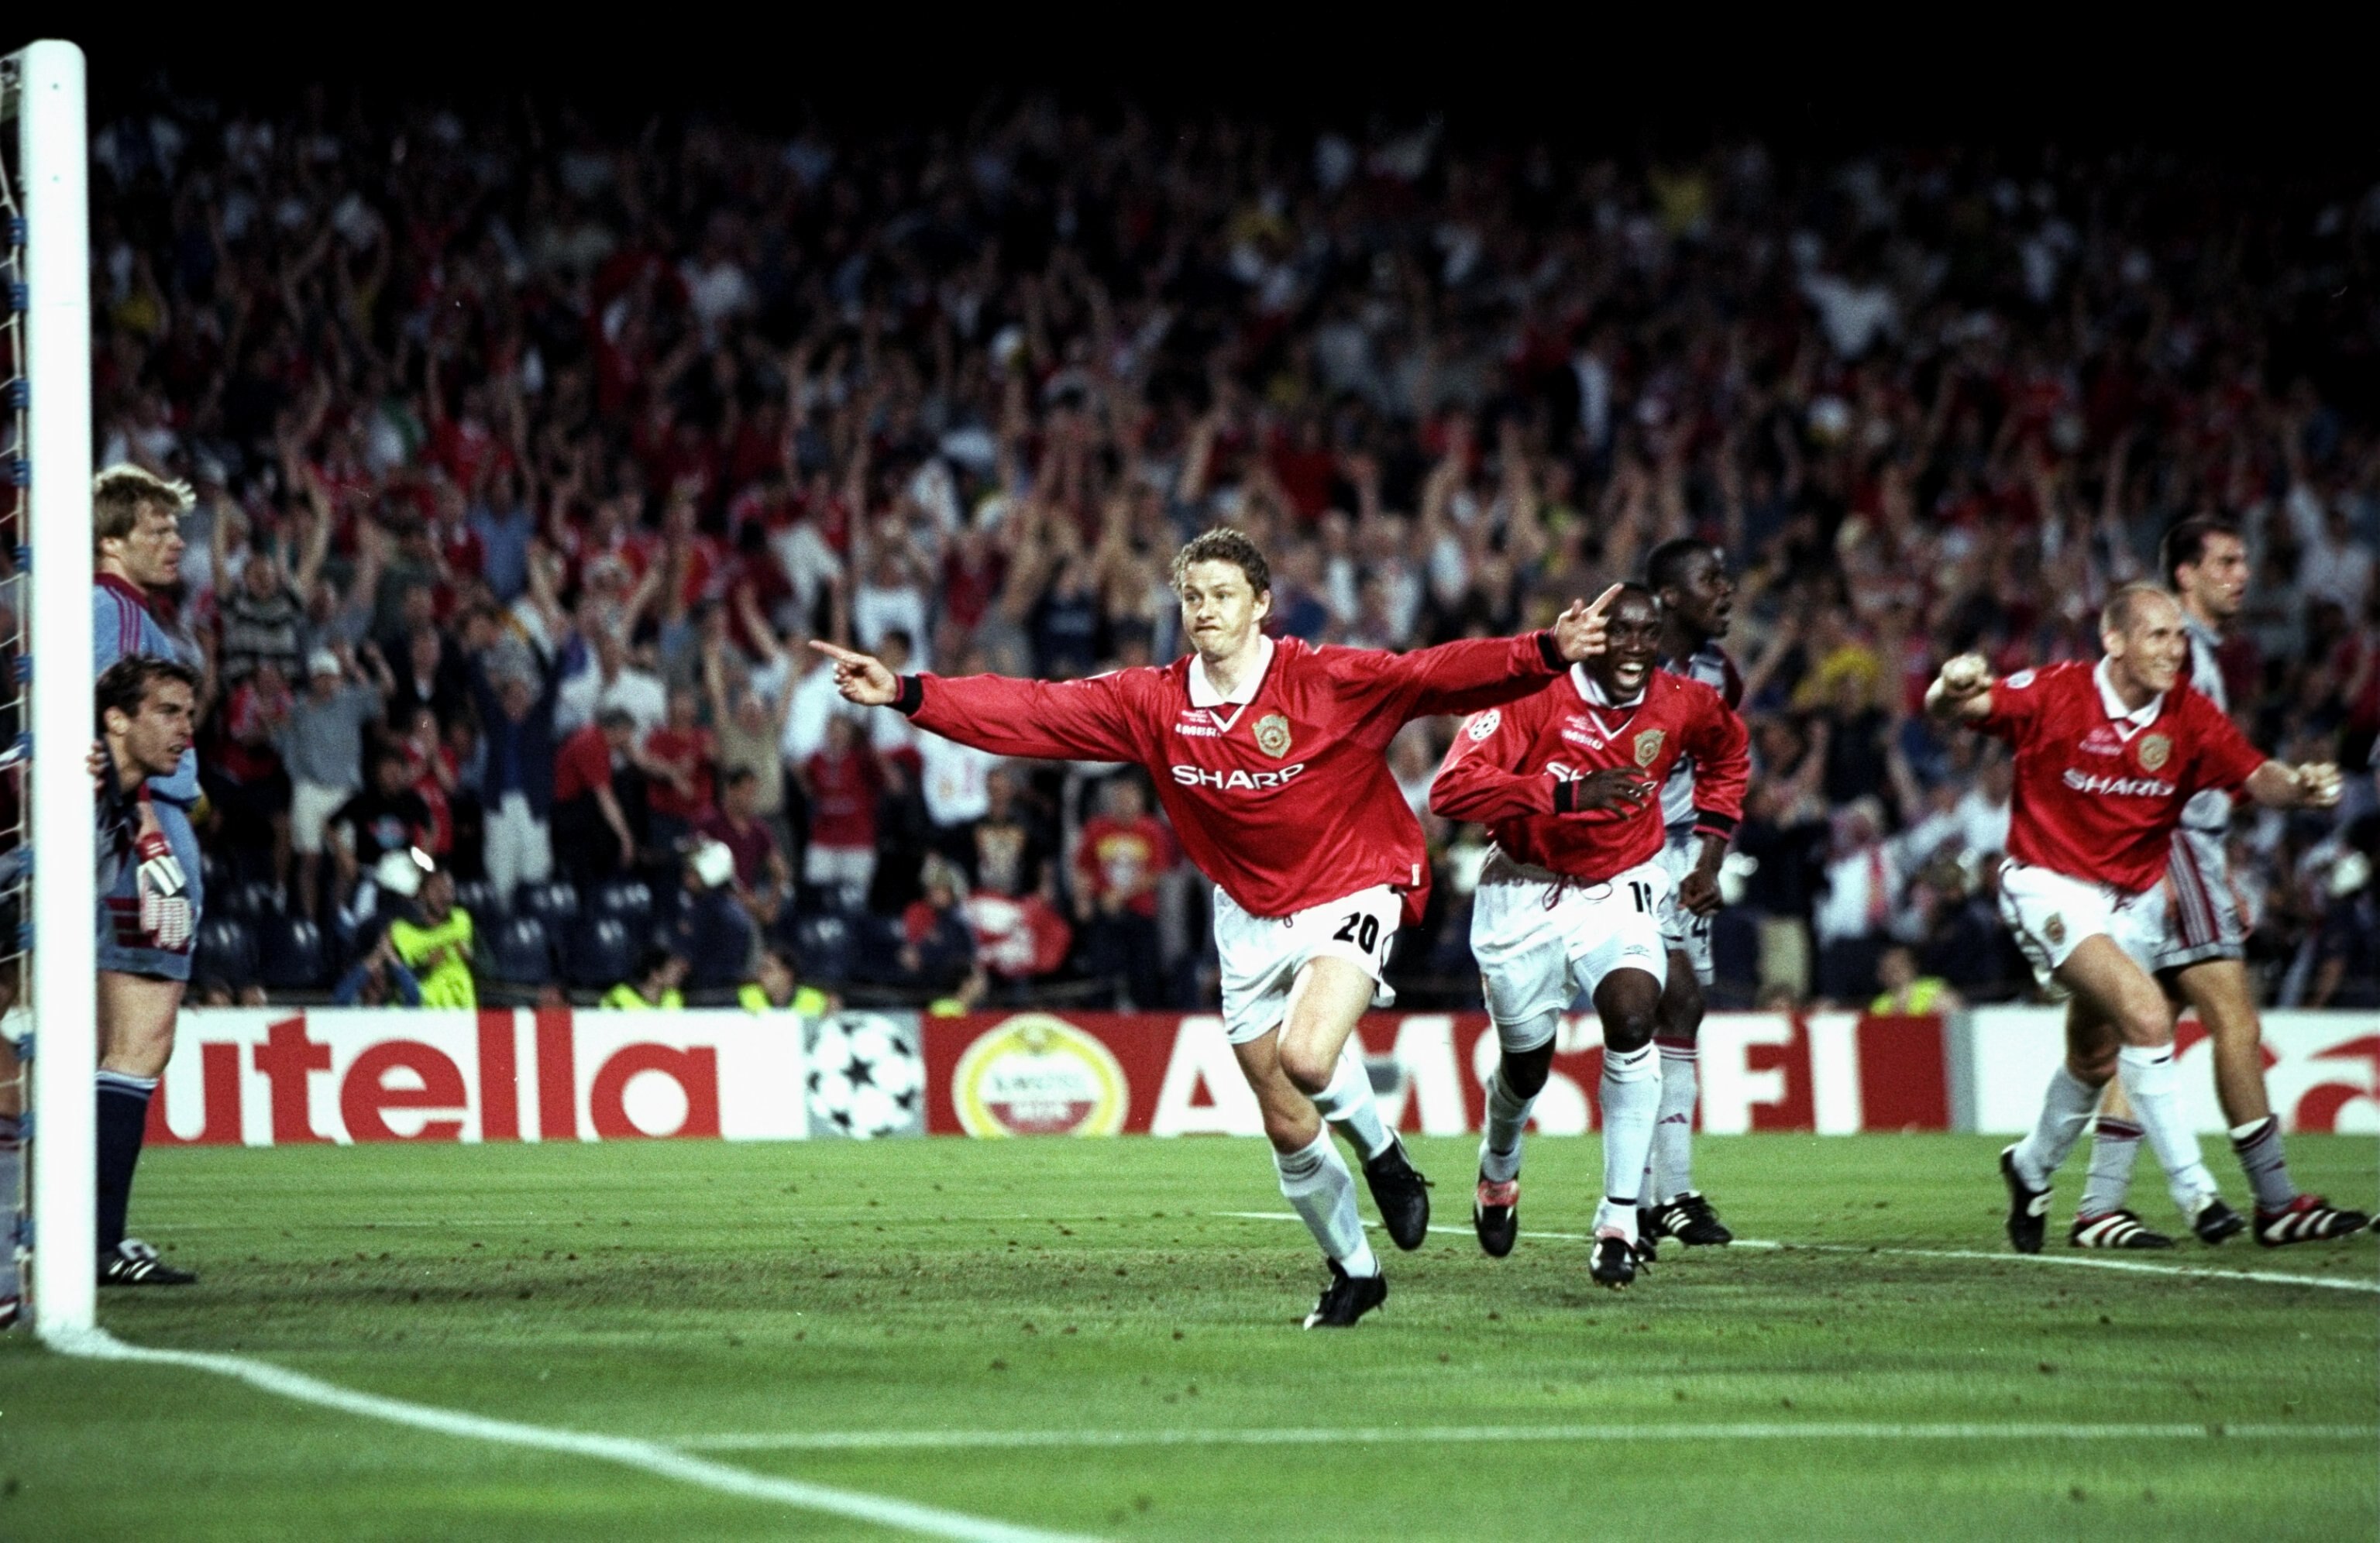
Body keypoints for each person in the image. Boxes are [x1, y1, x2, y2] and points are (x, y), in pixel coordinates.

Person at [815, 526, 1615, 1328]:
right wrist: (911, 693)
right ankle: (1356, 1271)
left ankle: (1385, 1157)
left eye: (1223, 594)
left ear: (1262, 605)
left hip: (1352, 884)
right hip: (1248, 911)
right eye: (1193, 596)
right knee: (1284, 1117)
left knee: (1307, 1055)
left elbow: (1434, 675)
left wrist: (1545, 650)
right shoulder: (1154, 703)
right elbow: (1037, 710)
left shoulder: (1325, 680)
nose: (1205, 609)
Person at [1924, 582, 2349, 1254]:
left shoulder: (2189, 713)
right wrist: (1950, 685)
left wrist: (2297, 786)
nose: (2174, 649)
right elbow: (1956, 707)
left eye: (2179, 636)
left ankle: (2031, 1167)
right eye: (2157, 635)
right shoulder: (2058, 691)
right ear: (2114, 641)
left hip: (2136, 901)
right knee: (2149, 1015)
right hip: (2048, 885)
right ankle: (2197, 1191)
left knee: (2093, 1057)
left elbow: (2253, 773)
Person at [1431, 585, 1748, 1287]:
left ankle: (1619, 1219)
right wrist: (1567, 794)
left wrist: (1709, 853)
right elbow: (1451, 790)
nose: (1635, 646)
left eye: (1649, 632)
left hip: (1621, 881)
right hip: (1523, 884)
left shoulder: (1683, 702)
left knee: (1636, 1014)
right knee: (1527, 1064)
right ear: (1594, 636)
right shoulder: (1530, 696)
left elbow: (1729, 756)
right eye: (1620, 632)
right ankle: (1499, 1162)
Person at [2069, 520, 2368, 1249]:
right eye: (2226, 562)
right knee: (2235, 1019)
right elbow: (2153, 766)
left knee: (2150, 1030)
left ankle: (2099, 1204)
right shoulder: (2182, 660)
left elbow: (2213, 767)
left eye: (2244, 561)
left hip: (2183, 850)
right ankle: (2274, 1201)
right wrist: (2171, 863)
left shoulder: (2196, 659)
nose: (2242, 574)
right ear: (2186, 577)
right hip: (2171, 848)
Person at [89, 466, 208, 1286]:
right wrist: (152, 830)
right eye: (157, 529)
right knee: (138, 1039)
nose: (176, 541)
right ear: (111, 539)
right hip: (143, 848)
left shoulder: (135, 615)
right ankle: (95, 1242)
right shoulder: (108, 611)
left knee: (127, 1043)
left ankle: (88, 1237)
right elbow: (101, 720)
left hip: (145, 838)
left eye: (178, 529)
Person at [1639, 537, 1747, 1249]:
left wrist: (1708, 861)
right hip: (1620, 850)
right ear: (1670, 596)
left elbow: (1722, 771)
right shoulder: (1619, 659)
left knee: (1678, 1012)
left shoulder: (1717, 675)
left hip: (1683, 855)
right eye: (1711, 579)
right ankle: (1662, 1195)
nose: (1727, 589)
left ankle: (1655, 1198)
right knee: (1673, 999)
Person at [387, 863, 476, 1009]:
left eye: (449, 889)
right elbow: (390, 984)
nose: (444, 896)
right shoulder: (400, 931)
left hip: (462, 1016)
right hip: (421, 1018)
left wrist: (471, 957)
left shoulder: (463, 920)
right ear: (422, 893)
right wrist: (425, 967)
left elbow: (489, 969)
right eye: (437, 890)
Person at [604, 943, 688, 1010]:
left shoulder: (674, 998)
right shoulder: (620, 996)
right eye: (673, 972)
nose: (679, 976)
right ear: (656, 975)